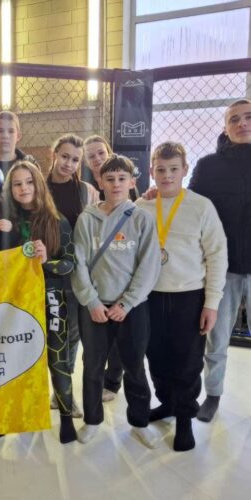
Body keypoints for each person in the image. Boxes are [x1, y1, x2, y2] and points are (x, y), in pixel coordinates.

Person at [137, 142, 227, 451]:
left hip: (189, 296)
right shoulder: (142, 206)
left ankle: (186, 416)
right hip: (150, 296)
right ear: (152, 171)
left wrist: (211, 303)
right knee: (156, 356)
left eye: (174, 169)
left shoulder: (201, 207)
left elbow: (217, 255)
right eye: (160, 170)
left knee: (187, 359)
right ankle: (168, 403)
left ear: (185, 170)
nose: (167, 175)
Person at [71, 154, 161, 448]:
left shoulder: (142, 218)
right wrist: (92, 301)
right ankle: (92, 420)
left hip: (131, 308)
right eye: (110, 179)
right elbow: (79, 263)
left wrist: (127, 303)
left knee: (134, 365)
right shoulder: (87, 219)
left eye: (122, 178)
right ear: (100, 182)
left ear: (132, 182)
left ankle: (140, 422)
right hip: (95, 306)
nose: (116, 184)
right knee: (93, 365)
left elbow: (149, 265)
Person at [4, 160, 77, 444]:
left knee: (57, 360)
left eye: (29, 182)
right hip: (18, 303)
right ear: (10, 190)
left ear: (39, 185)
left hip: (53, 299)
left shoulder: (58, 221)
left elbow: (70, 264)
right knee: (23, 360)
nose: (24, 188)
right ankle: (27, 416)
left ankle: (67, 418)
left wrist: (46, 262)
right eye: (17, 184)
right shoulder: (8, 224)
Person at [189, 99, 251, 423]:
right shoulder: (208, 166)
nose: (242, 124)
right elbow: (189, 205)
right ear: (226, 128)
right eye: (234, 119)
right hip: (222, 268)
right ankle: (212, 395)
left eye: (248, 117)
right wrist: (158, 195)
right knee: (217, 338)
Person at [46, 133, 99, 418]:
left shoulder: (86, 192)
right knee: (46, 333)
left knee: (72, 335)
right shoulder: (37, 186)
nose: (69, 163)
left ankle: (63, 392)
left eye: (75, 160)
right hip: (41, 272)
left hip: (74, 271)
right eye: (65, 156)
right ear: (54, 154)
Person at [83, 135, 130, 402]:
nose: (97, 158)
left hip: (121, 275)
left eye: (100, 153)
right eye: (91, 156)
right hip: (93, 272)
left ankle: (112, 382)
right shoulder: (85, 189)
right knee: (94, 339)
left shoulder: (122, 182)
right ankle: (94, 381)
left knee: (120, 340)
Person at [0, 111, 39, 194]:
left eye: (11, 131)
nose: (5, 136)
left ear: (18, 136)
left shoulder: (29, 164)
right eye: (0, 131)